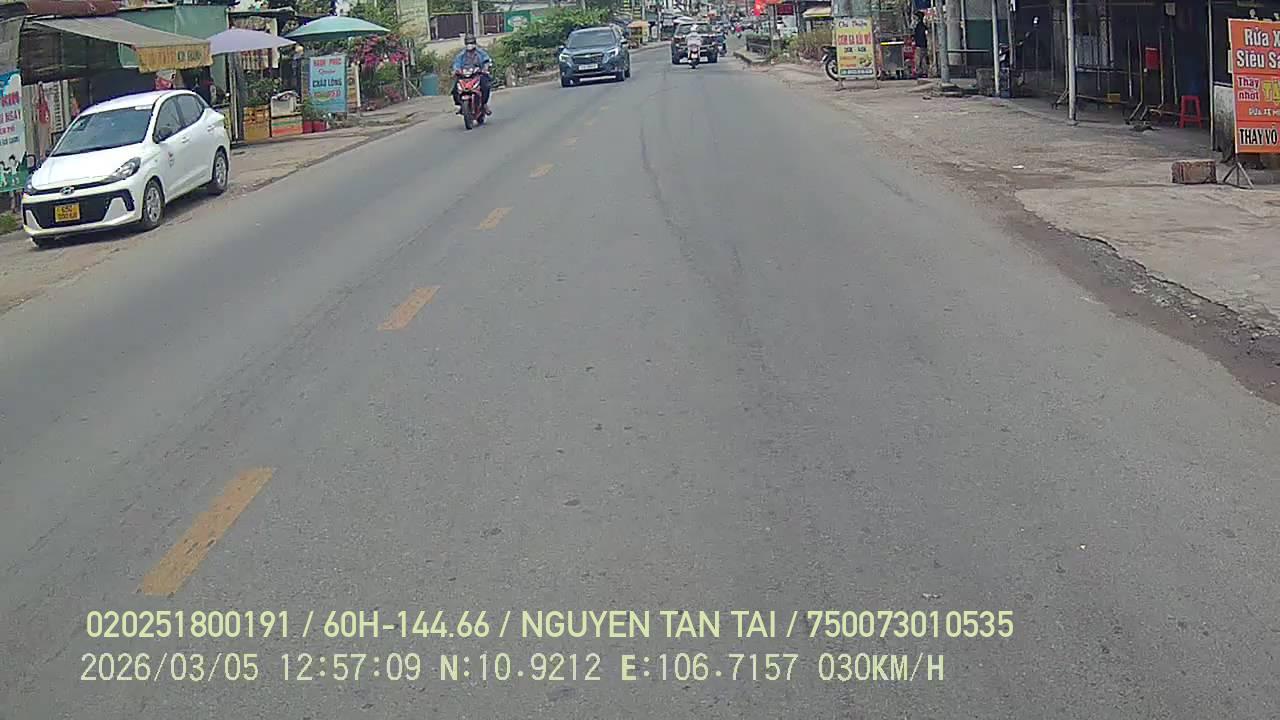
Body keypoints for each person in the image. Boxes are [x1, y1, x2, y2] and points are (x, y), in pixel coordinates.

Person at [451, 34, 492, 114]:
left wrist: (485, 68)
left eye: (471, 42)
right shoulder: (461, 55)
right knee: (455, 89)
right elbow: (456, 64)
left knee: (486, 86)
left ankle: (484, 104)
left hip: (478, 75)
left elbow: (486, 60)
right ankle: (461, 105)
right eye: (468, 43)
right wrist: (456, 70)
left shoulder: (480, 53)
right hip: (464, 76)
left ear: (474, 43)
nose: (470, 45)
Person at [912, 12, 930, 78]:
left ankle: (919, 71)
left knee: (919, 59)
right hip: (923, 45)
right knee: (923, 59)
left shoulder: (919, 26)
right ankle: (924, 72)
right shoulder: (923, 26)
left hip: (920, 45)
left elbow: (919, 36)